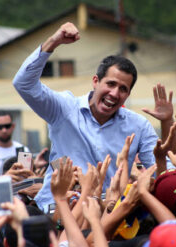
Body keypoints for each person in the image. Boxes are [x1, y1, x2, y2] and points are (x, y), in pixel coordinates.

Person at [13, 22, 158, 211]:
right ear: (95, 81)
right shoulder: (64, 108)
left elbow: (160, 171)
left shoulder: (139, 126)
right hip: (57, 210)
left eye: (123, 89)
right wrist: (53, 42)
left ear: (128, 95)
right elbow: (23, 84)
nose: (114, 94)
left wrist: (166, 122)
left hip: (109, 214)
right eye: (111, 84)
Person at [0, 111, 29, 184]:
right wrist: (4, 178)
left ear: (13, 126)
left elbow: (26, 176)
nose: (4, 130)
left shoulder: (23, 150)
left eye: (7, 126)